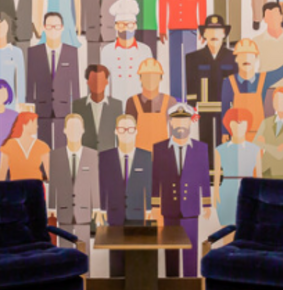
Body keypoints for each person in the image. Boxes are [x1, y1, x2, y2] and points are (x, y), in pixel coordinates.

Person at [152, 103, 211, 278]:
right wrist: (155, 205)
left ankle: (190, 282)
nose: (180, 125)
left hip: (191, 208)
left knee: (190, 247)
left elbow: (204, 177)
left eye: (184, 121)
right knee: (170, 249)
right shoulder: (160, 148)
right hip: (169, 207)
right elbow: (155, 178)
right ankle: (172, 283)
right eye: (176, 121)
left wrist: (206, 202)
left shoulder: (201, 148)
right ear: (170, 123)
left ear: (190, 123)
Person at [98, 113, 154, 276]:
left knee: (136, 254)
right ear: (116, 131)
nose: (126, 133)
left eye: (130, 129)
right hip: (114, 212)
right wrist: (102, 209)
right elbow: (102, 185)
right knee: (116, 255)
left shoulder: (145, 156)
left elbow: (149, 185)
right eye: (122, 129)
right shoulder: (105, 157)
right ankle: (116, 287)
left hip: (137, 212)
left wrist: (149, 208)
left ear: (136, 131)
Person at [222, 38, 283, 141]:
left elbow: (282, 71)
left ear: (256, 58)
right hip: (238, 135)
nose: (246, 59)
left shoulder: (263, 79)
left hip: (259, 135)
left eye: (250, 55)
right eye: (242, 55)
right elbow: (225, 108)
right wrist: (225, 132)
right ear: (236, 59)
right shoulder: (229, 82)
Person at [158, 0, 207, 98]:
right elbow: (162, 9)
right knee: (175, 66)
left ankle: (190, 98)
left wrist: (203, 30)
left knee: (191, 65)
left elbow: (202, 10)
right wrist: (162, 29)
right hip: (173, 30)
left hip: (191, 31)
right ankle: (176, 99)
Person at [28, 12, 82, 147]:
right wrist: (29, 108)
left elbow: (75, 84)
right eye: (50, 26)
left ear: (62, 28)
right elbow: (30, 84)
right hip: (41, 108)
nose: (53, 30)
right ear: (44, 27)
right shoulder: (34, 52)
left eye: (57, 26)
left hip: (63, 108)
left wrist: (76, 111)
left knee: (61, 147)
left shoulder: (71, 52)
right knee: (42, 146)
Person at [48, 114, 100, 248]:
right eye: (70, 128)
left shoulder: (92, 155)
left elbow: (94, 182)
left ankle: (86, 270)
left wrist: (96, 206)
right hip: (63, 209)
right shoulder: (55, 155)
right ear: (64, 130)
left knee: (84, 246)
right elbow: (53, 182)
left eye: (77, 128)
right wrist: (51, 205)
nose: (74, 132)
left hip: (84, 209)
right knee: (65, 247)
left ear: (83, 130)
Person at [185, 14, 237, 146]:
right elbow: (191, 83)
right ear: (204, 34)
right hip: (205, 108)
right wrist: (191, 107)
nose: (214, 34)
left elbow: (237, 85)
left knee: (226, 145)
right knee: (205, 143)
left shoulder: (234, 58)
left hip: (227, 108)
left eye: (218, 30)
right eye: (210, 30)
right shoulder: (193, 58)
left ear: (224, 33)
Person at [213, 108, 259, 227]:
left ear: (248, 126)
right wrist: (215, 195)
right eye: (234, 124)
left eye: (243, 124)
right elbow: (217, 176)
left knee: (246, 230)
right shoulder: (220, 150)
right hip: (226, 191)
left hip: (248, 192)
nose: (239, 128)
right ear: (229, 126)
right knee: (226, 230)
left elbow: (259, 177)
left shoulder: (255, 149)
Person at [102, 0, 152, 101]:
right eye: (121, 25)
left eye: (129, 25)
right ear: (116, 26)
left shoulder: (145, 50)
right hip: (115, 105)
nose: (125, 28)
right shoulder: (107, 51)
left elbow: (150, 82)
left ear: (135, 26)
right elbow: (104, 83)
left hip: (139, 104)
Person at [253, 87, 283, 179]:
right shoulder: (266, 122)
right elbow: (256, 144)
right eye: (276, 100)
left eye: (282, 100)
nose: (278, 103)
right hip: (266, 170)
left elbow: (280, 153)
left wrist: (264, 144)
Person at [74, 64, 123, 152]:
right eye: (94, 80)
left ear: (106, 82)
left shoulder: (116, 105)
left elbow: (120, 136)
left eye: (100, 80)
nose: (97, 84)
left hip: (108, 155)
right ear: (88, 82)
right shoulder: (77, 105)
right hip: (85, 155)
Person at [0, 111, 51, 181]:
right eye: (34, 123)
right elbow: (2, 174)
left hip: (36, 188)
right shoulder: (9, 145)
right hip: (16, 188)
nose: (37, 126)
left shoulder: (42, 146)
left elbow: (50, 174)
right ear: (24, 124)